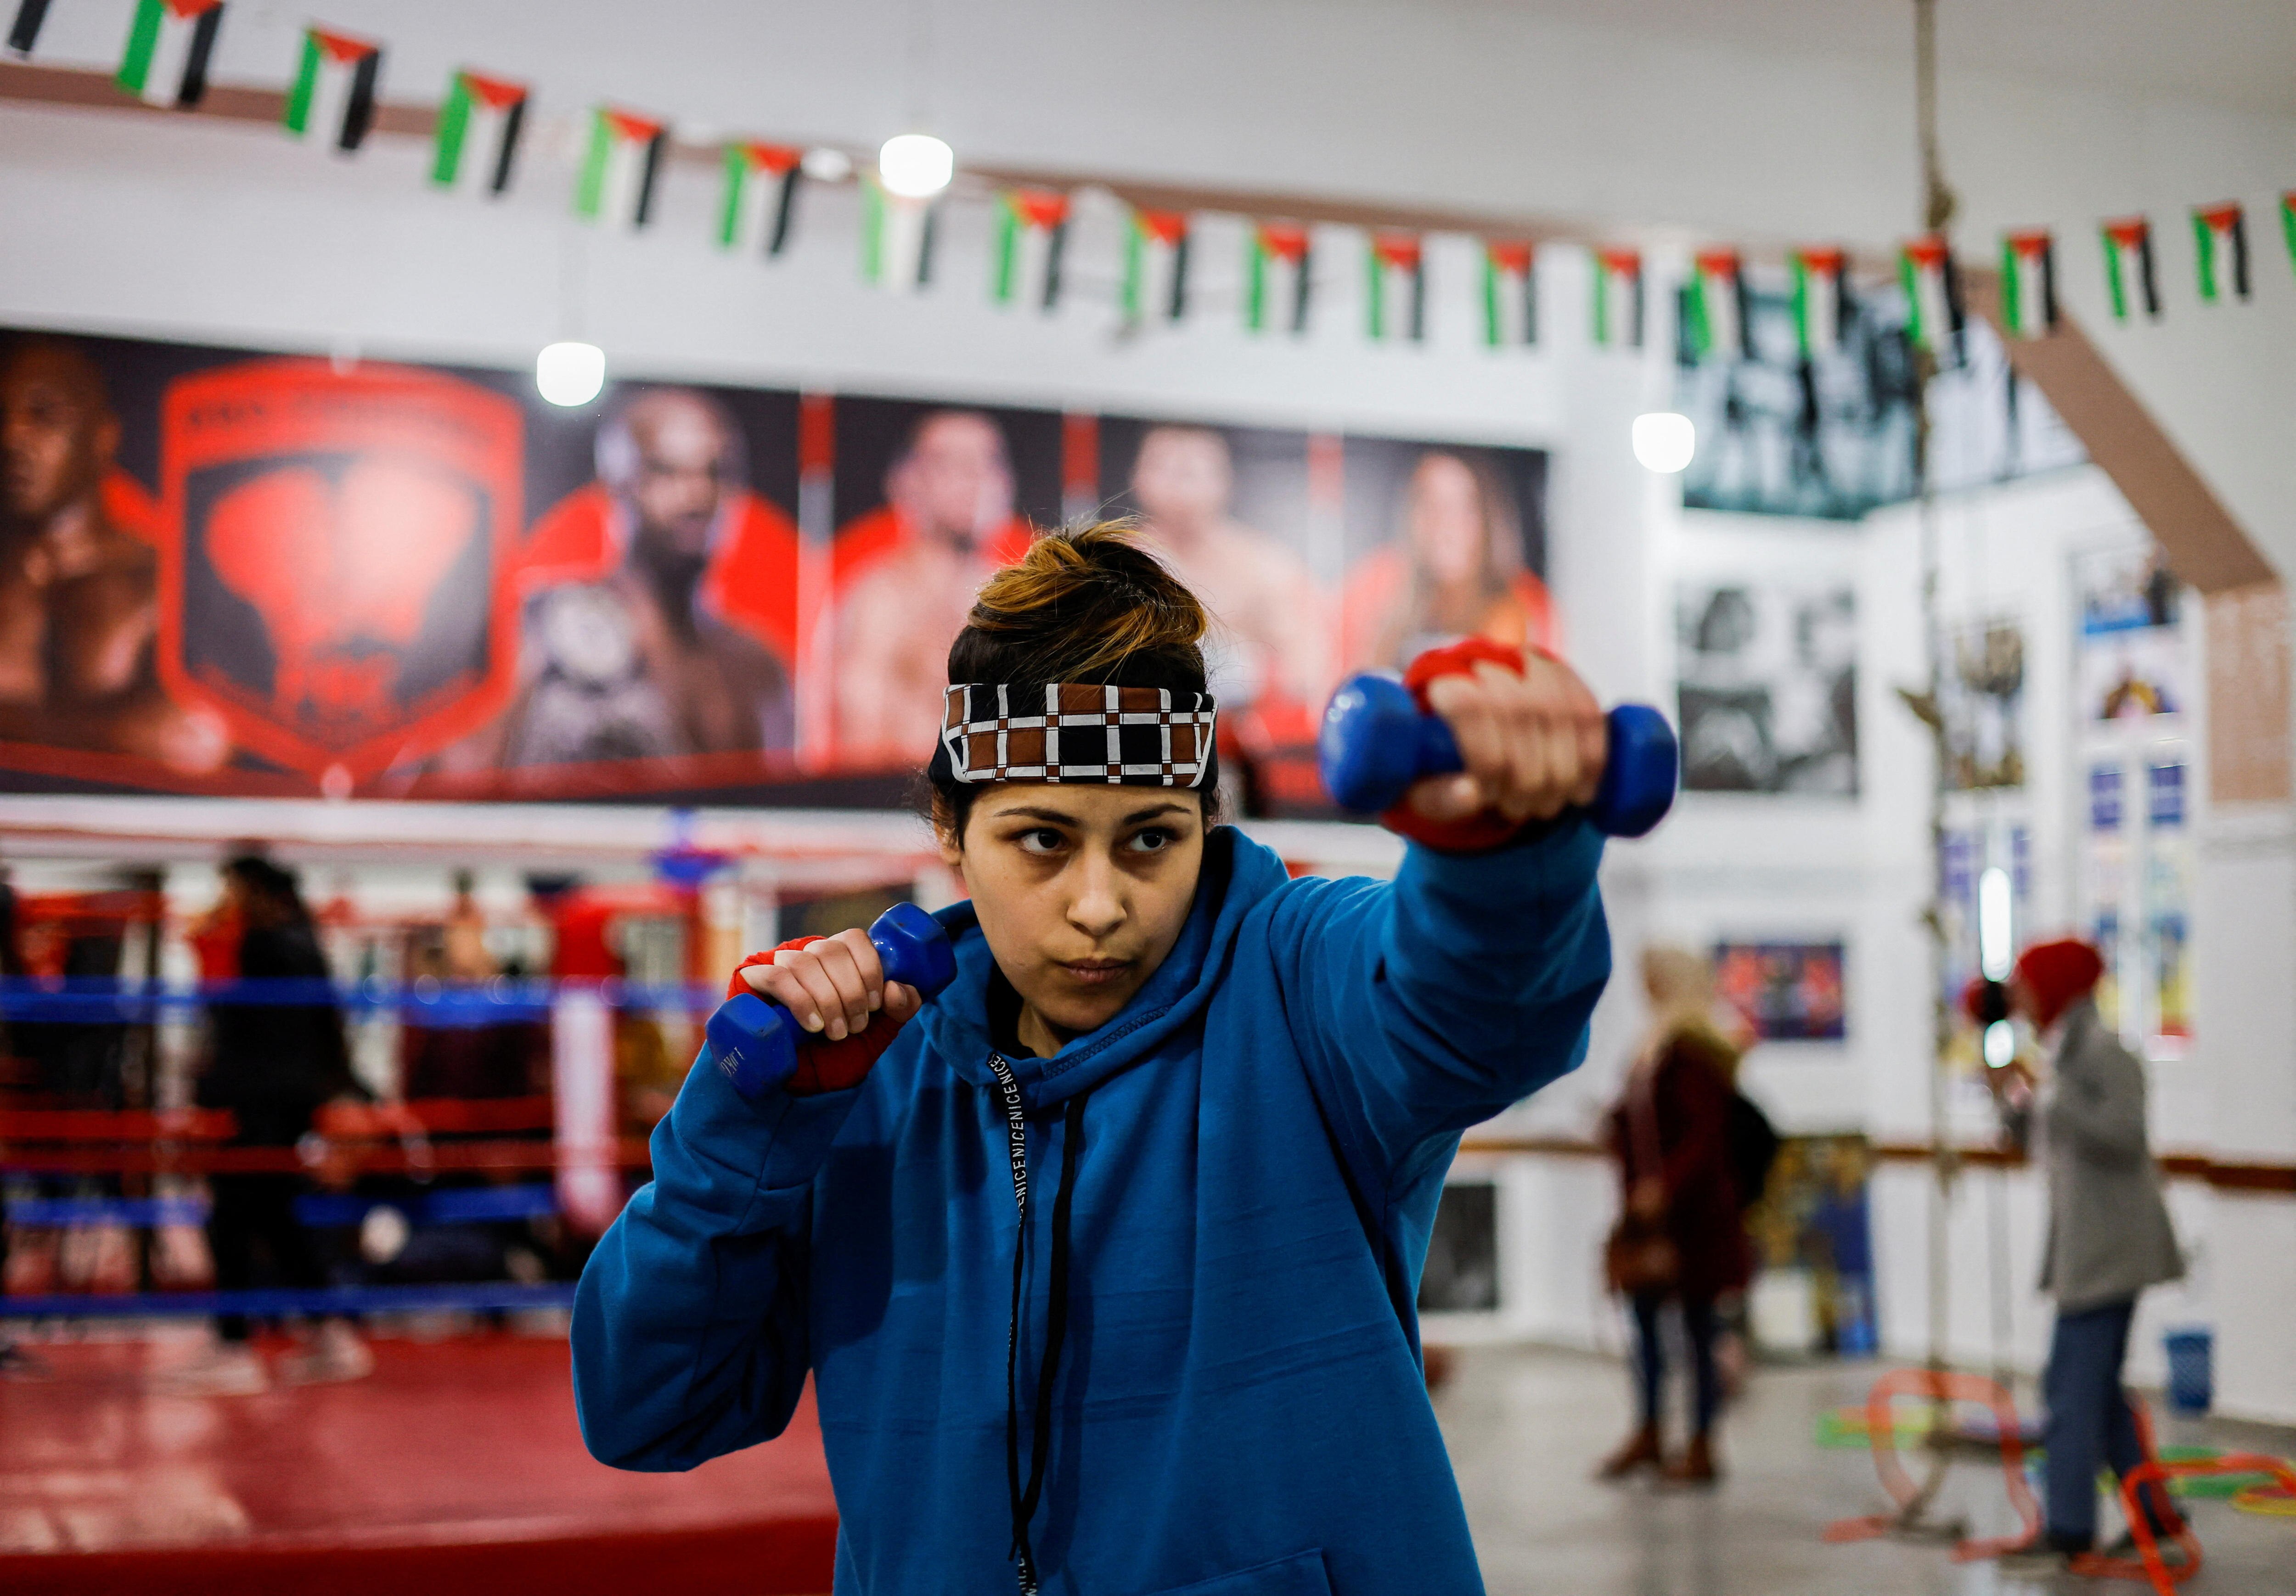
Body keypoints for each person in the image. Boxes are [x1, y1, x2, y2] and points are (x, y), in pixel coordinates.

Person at [574, 523, 1614, 1594]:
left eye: (1152, 838)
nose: (1099, 905)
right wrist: (745, 1135)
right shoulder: (863, 1076)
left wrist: (1501, 853)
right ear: (949, 828)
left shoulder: (1297, 984)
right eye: (1042, 840)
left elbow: (1479, 1004)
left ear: (1207, 821)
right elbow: (652, 1408)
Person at [461, 388, 795, 771]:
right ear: (616, 484)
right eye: (665, 472)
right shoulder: (545, 628)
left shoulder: (759, 667)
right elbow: (458, 786)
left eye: (716, 473)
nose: (698, 495)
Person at [2002, 938, 2189, 1565]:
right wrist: (2018, 1102)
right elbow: (2044, 1139)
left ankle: (2070, 1527)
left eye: (2027, 984)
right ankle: (2156, 1513)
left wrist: (2053, 1096)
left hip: (2111, 1252)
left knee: (2070, 1390)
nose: (2019, 999)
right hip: (2088, 1248)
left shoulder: (2106, 1053)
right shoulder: (2061, 1056)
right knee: (2097, 1388)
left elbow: (2124, 1134)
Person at [167, 855, 373, 1395]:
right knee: (275, 1213)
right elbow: (326, 1027)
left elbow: (242, 1028)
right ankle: (327, 1333)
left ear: (249, 888)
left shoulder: (260, 945)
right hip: (289, 1099)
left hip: (256, 1100)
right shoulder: (304, 941)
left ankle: (235, 1343)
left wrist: (211, 1090)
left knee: (233, 1213)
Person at [0, 336, 227, 772]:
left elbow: (189, 741)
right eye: (2, 415)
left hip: (117, 835)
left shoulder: (161, 584)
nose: (12, 437)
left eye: (44, 415)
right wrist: (107, 732)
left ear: (102, 438)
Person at [1598, 944, 1752, 1485]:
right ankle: (1650, 1429)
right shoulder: (1658, 1045)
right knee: (1648, 1327)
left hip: (1693, 1224)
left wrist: (1663, 1187)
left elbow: (1704, 1135)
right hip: (1659, 1223)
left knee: (1696, 1332)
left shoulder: (1691, 1050)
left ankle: (1702, 1441)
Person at [823, 410, 1035, 767]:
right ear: (907, 482)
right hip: (908, 810)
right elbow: (859, 745)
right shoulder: (881, 600)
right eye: (951, 464)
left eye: (989, 463)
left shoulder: (1025, 606)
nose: (975, 479)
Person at [1126, 424, 1330, 717]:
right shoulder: (1114, 562)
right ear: (1138, 476)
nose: (1179, 487)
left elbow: (1306, 668)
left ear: (1224, 480)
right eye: (1167, 469)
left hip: (1238, 735)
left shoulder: (1266, 564)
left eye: (1191, 472)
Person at [1342, 449, 1559, 674]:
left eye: (1463, 508)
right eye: (1430, 504)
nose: (1445, 525)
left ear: (1487, 519)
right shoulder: (1391, 600)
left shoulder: (1511, 614)